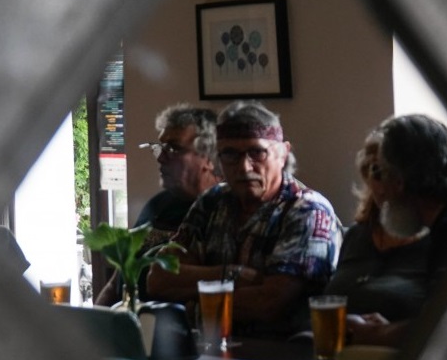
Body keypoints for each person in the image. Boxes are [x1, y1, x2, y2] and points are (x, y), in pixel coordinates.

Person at [147, 100, 343, 339]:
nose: (244, 166)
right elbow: (158, 279)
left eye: (257, 152)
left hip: (281, 351)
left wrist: (197, 302)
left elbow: (269, 304)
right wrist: (233, 274)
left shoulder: (307, 210)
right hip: (209, 347)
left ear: (283, 154)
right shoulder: (211, 201)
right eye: (230, 154)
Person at [344, 114, 447, 347]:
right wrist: (388, 329)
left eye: (381, 173)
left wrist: (376, 334)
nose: (379, 190)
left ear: (398, 181)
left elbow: (446, 332)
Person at [94, 104, 220, 307]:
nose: (161, 157)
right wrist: (94, 318)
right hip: (123, 319)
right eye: (160, 147)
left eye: (173, 148)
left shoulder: (223, 212)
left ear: (207, 156)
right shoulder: (157, 205)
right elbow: (114, 283)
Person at [322, 129, 431, 322]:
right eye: (377, 173)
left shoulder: (440, 241)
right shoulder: (356, 235)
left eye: (395, 174)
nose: (384, 187)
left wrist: (387, 332)